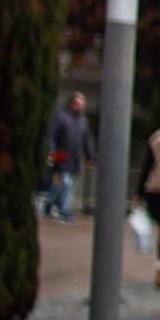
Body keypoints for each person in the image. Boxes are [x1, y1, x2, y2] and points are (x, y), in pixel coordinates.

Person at [45, 91, 95, 224]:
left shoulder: (82, 120)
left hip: (75, 158)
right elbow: (52, 135)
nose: (82, 104)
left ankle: (50, 203)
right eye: (80, 101)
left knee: (67, 184)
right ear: (73, 102)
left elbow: (86, 139)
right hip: (62, 157)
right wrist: (52, 151)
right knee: (65, 183)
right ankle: (64, 210)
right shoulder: (61, 117)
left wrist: (90, 156)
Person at [137, 126, 160, 286]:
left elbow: (146, 167)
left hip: (156, 189)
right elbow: (147, 166)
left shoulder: (156, 139)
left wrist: (139, 192)